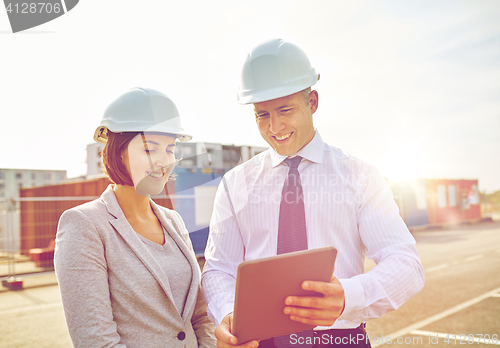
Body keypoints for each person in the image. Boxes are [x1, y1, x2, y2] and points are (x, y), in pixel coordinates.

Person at [201, 39, 425, 348]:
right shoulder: (234, 184)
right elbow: (218, 270)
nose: (274, 127)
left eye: (285, 109)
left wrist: (347, 296)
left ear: (313, 102)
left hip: (339, 340)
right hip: (259, 342)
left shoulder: (360, 176)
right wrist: (228, 314)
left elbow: (406, 265)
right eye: (261, 115)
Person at [55, 87, 217, 348]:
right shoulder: (84, 225)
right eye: (149, 149)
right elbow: (96, 339)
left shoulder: (173, 221)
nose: (164, 161)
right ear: (119, 152)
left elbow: (200, 315)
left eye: (170, 149)